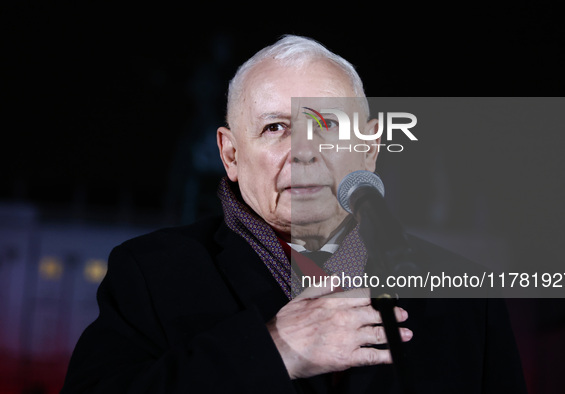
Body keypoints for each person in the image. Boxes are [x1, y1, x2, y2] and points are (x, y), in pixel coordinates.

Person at [61, 35, 527, 393]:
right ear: (231, 155)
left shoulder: (466, 297)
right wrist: (273, 350)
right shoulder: (149, 274)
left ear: (369, 150)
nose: (303, 151)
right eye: (275, 127)